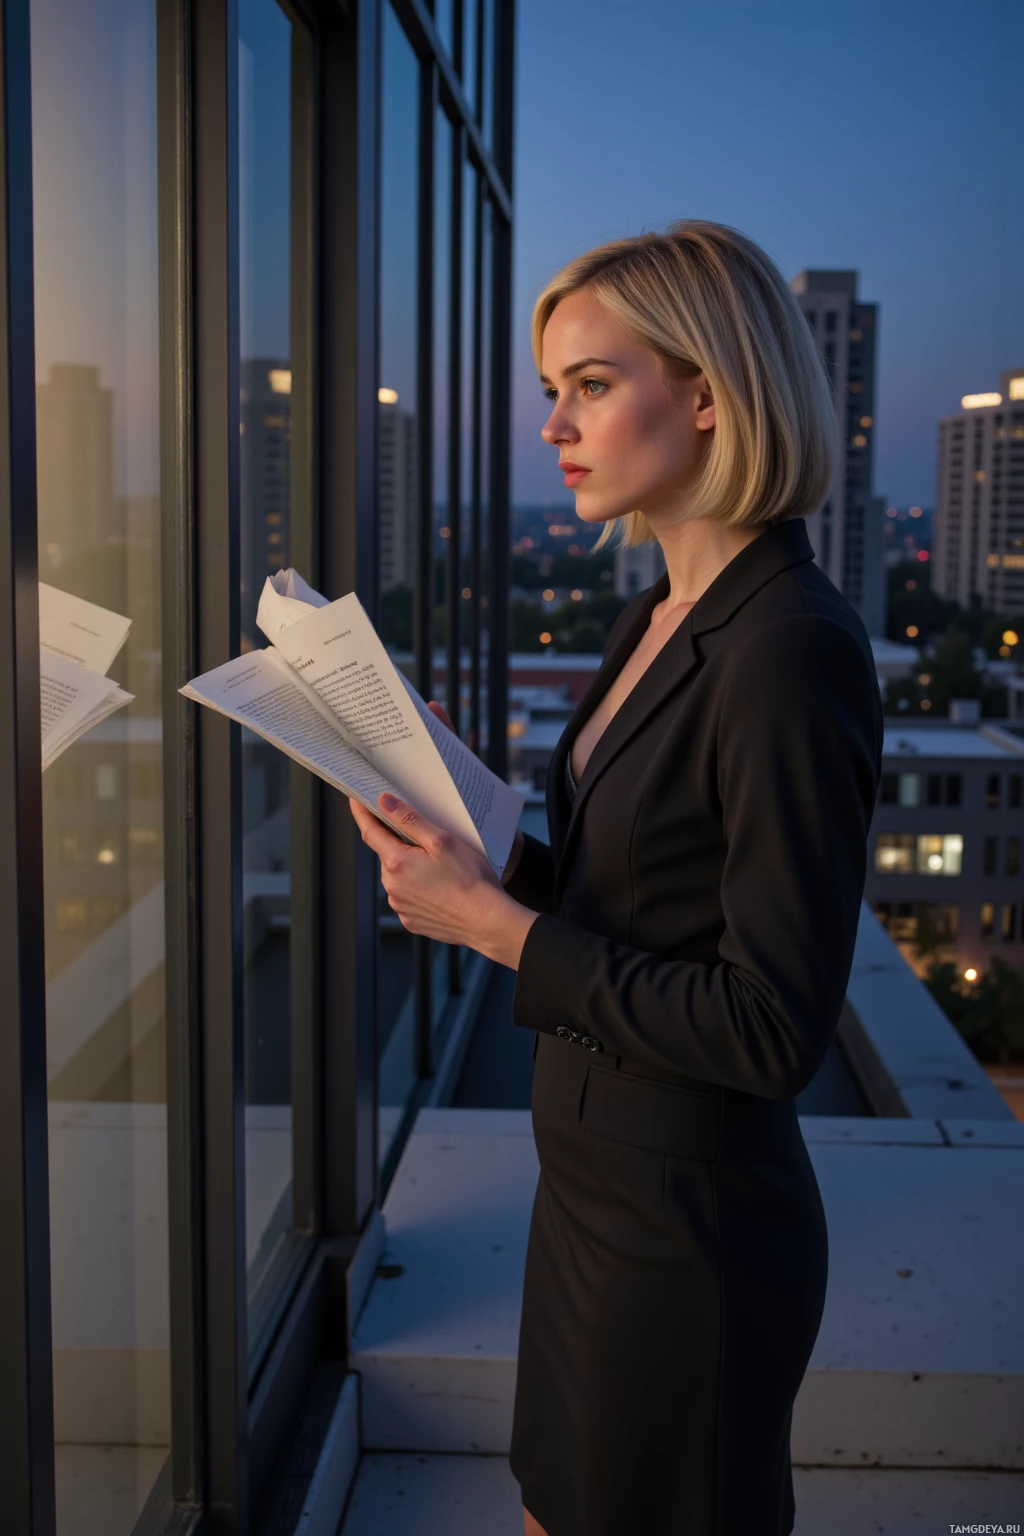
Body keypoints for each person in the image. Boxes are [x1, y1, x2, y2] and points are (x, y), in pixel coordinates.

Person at [349, 219, 884, 1536]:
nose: (555, 428)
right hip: (589, 1204)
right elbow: (636, 894)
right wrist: (493, 870)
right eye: (553, 392)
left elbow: (771, 1026)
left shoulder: (790, 651)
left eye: (591, 385)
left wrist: (497, 930)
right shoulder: (653, 617)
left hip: (691, 1242)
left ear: (709, 392)